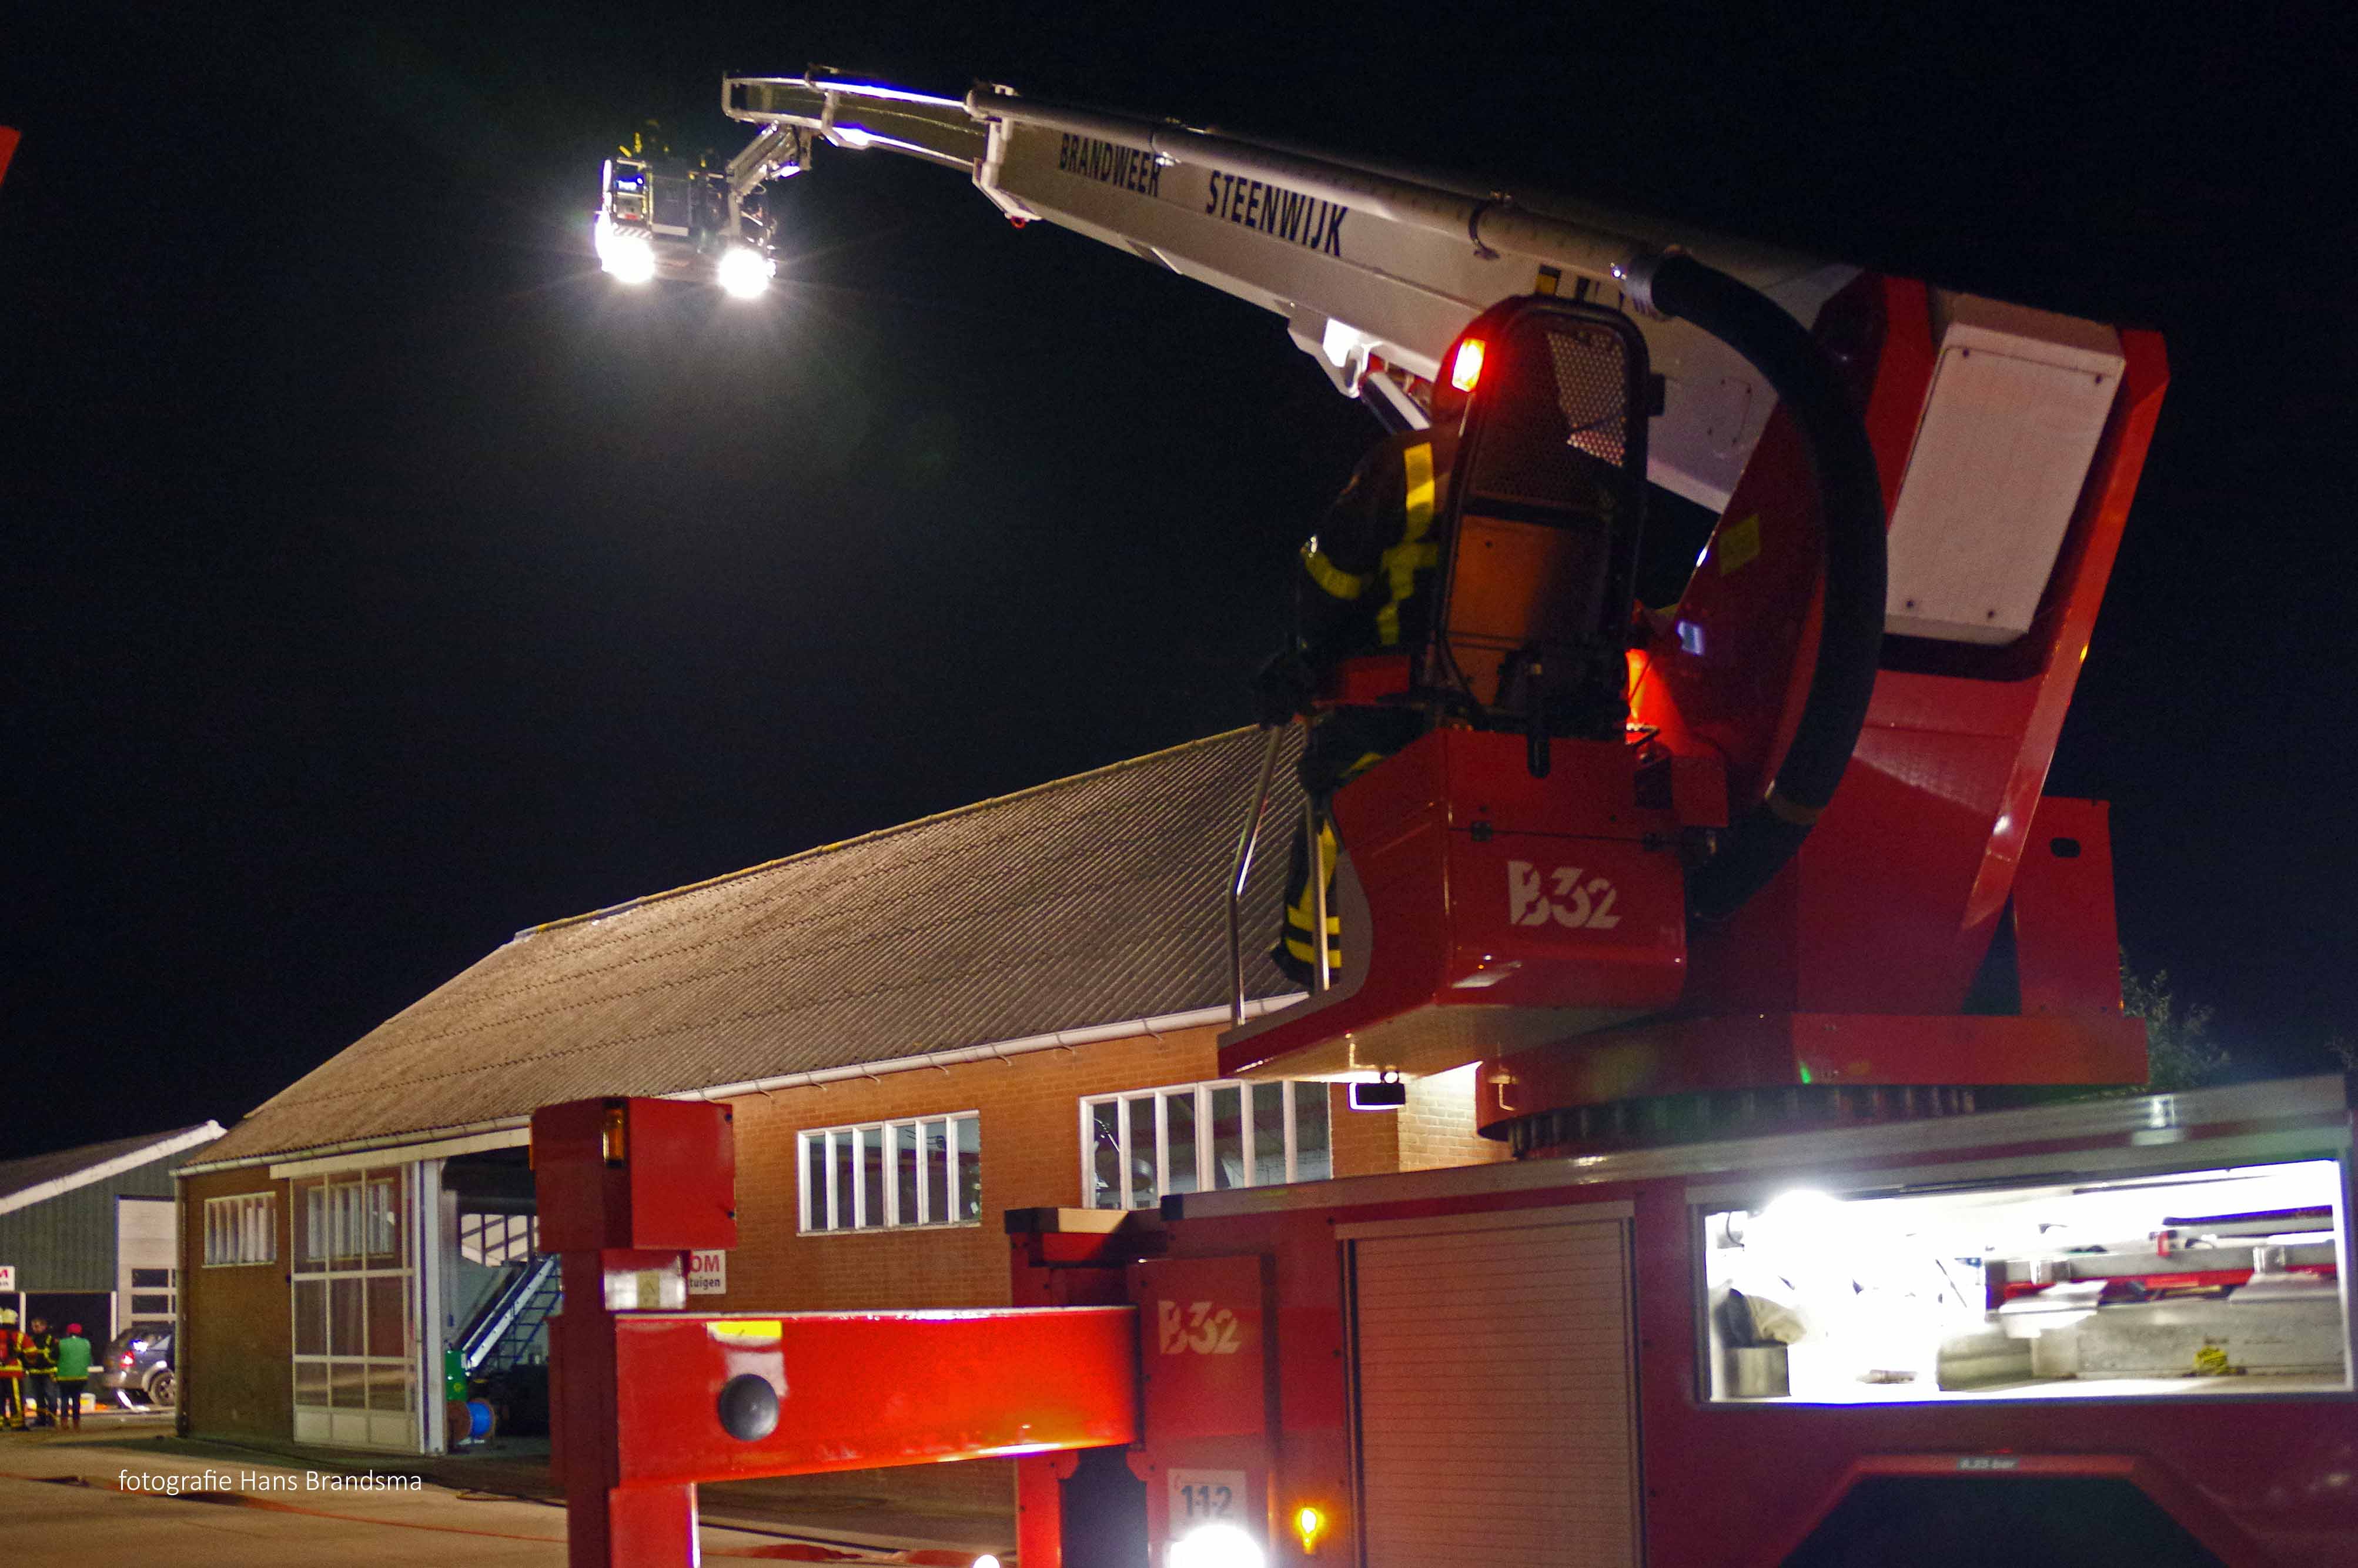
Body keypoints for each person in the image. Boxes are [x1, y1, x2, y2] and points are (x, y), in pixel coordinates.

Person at [20, 1318, 57, 1429]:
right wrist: (27, 1368)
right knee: (39, 1399)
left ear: (44, 1326)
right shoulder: (31, 1339)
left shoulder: (51, 1339)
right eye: (33, 1326)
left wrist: (47, 1362)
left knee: (51, 1397)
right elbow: (25, 1355)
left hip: (48, 1373)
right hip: (35, 1374)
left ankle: (52, 1420)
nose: (34, 1329)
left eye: (37, 1326)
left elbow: (56, 1355)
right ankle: (41, 1420)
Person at [53, 1325, 92, 1430]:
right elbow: (88, 1359)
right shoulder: (86, 1343)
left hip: (64, 1377)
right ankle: (76, 1422)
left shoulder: (61, 1343)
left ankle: (64, 1422)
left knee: (64, 1399)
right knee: (76, 1400)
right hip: (81, 1376)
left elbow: (54, 1357)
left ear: (68, 1332)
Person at [0, 1308, 22, 1430]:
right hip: (13, 1373)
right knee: (16, 1399)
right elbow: (32, 1352)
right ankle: (18, 1424)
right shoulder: (19, 1335)